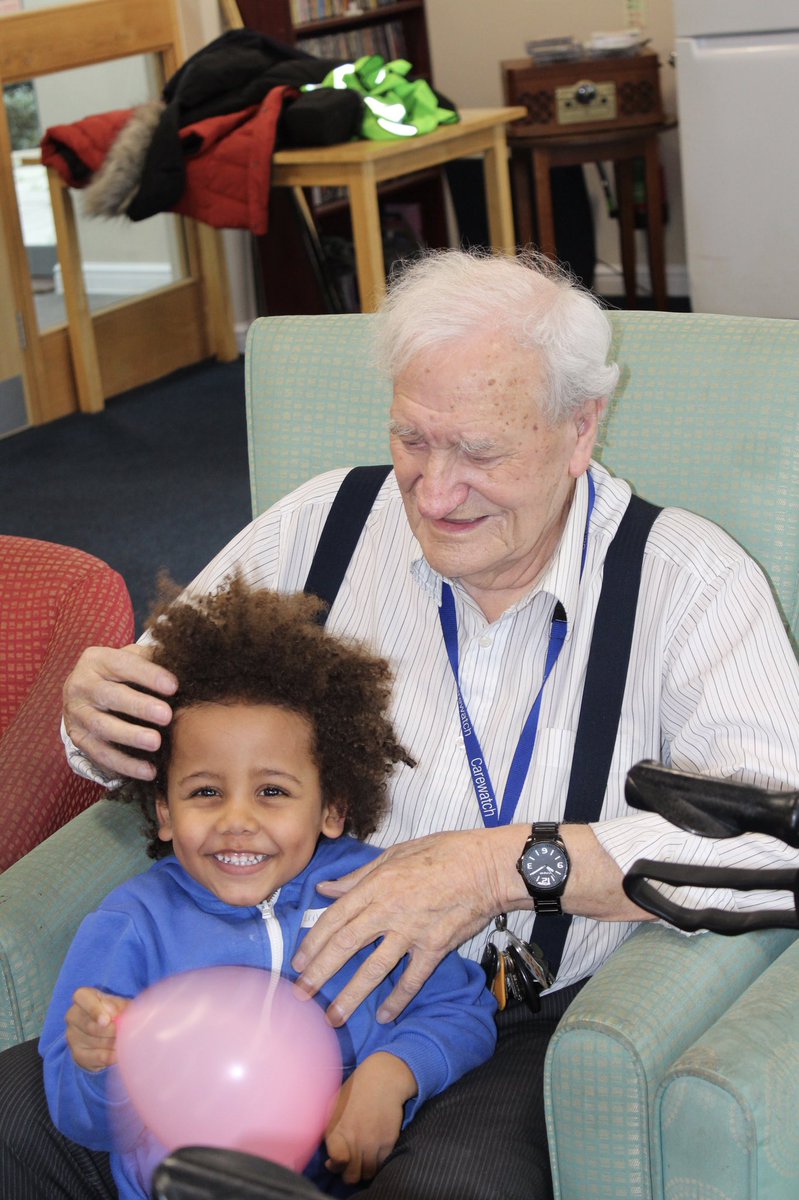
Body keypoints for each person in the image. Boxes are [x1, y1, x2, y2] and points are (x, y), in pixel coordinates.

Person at [3, 248, 799, 1200]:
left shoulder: (687, 580)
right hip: (262, 971)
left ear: (580, 427)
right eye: (413, 441)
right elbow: (163, 733)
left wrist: (500, 866)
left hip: (512, 1020)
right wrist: (96, 717)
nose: (432, 491)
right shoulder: (321, 525)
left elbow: (773, 839)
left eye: (478, 452)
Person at [38, 576, 497, 1200]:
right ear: (164, 811)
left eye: (273, 792)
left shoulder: (372, 890)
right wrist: (100, 1063)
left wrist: (392, 1075)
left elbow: (462, 1007)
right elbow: (80, 1120)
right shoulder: (131, 925)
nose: (237, 820)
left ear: (332, 807)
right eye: (205, 792)